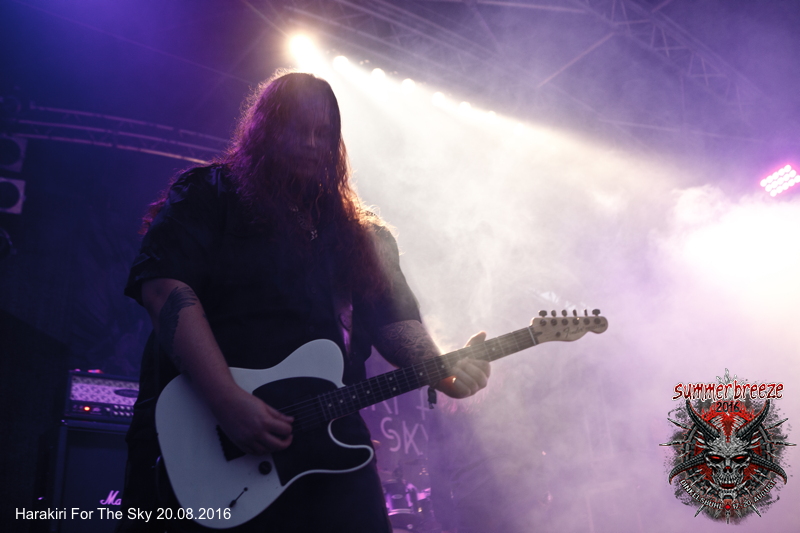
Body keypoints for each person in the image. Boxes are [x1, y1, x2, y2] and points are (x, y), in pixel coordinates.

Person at [117, 71, 491, 533]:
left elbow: (395, 321)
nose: (312, 144)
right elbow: (164, 289)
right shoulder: (209, 194)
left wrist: (443, 369)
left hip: (329, 442)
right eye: (298, 129)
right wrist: (227, 400)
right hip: (210, 434)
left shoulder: (362, 236)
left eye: (323, 133)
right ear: (265, 131)